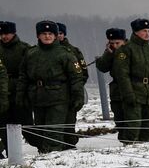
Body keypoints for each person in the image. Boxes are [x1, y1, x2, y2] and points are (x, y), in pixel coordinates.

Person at [23, 21, 86, 151]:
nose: (47, 36)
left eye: (50, 33)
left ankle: (53, 157)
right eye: (44, 34)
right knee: (40, 129)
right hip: (38, 97)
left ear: (55, 35)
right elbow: (23, 76)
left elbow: (77, 77)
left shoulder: (65, 54)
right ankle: (45, 153)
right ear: (38, 36)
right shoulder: (31, 54)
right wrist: (21, 96)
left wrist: (78, 96)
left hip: (59, 97)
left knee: (54, 130)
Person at [113, 18, 149, 144]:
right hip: (134, 93)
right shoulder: (126, 50)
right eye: (144, 31)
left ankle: (146, 148)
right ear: (136, 32)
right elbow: (122, 75)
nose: (147, 34)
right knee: (133, 127)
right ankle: (129, 151)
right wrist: (128, 94)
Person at [0, 20, 28, 160]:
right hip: (2, 92)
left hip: (19, 91)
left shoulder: (24, 49)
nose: (4, 36)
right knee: (3, 124)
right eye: (2, 34)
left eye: (7, 33)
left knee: (22, 123)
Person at [94, 27, 128, 135]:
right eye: (112, 43)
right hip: (117, 92)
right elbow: (102, 67)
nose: (115, 46)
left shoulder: (131, 51)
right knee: (120, 120)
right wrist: (108, 54)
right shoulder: (110, 53)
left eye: (118, 43)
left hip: (131, 89)